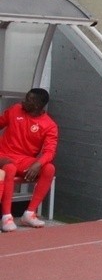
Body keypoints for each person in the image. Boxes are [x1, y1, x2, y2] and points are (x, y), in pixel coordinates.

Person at [0, 88, 58, 232]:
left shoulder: (49, 125)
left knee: (49, 168)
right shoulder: (15, 110)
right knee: (9, 168)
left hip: (24, 160)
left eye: (28, 99)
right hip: (4, 155)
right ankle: (6, 216)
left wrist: (38, 163)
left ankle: (29, 213)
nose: (23, 101)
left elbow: (50, 151)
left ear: (38, 105)